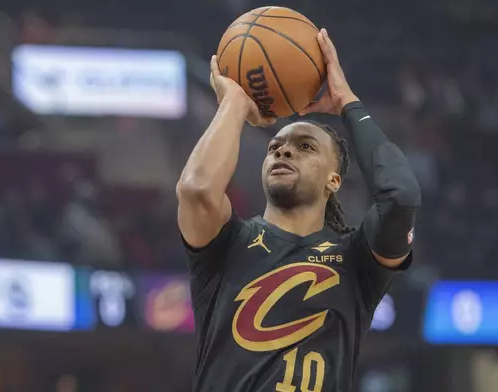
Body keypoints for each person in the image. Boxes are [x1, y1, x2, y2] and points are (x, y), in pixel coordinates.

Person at [176, 28, 421, 392]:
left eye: (305, 147)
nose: (283, 151)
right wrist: (234, 105)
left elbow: (400, 196)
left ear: (334, 181)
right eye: (274, 147)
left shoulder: (356, 260)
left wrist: (346, 102)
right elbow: (197, 191)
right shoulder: (229, 242)